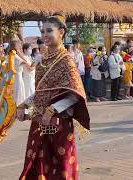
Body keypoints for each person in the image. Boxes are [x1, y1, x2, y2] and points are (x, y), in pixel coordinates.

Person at [18, 14, 90, 180]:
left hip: (60, 124)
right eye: (43, 31)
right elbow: (41, 92)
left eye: (49, 30)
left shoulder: (67, 61)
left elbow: (75, 94)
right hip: (39, 122)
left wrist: (52, 110)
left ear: (61, 32)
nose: (45, 34)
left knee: (62, 166)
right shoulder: (43, 61)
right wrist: (24, 105)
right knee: (36, 164)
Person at [10, 40, 31, 106]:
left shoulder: (12, 55)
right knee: (19, 93)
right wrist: (19, 53)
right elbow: (25, 62)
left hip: (17, 76)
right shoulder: (15, 56)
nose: (19, 47)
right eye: (18, 46)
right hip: (18, 76)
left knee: (18, 92)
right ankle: (18, 107)